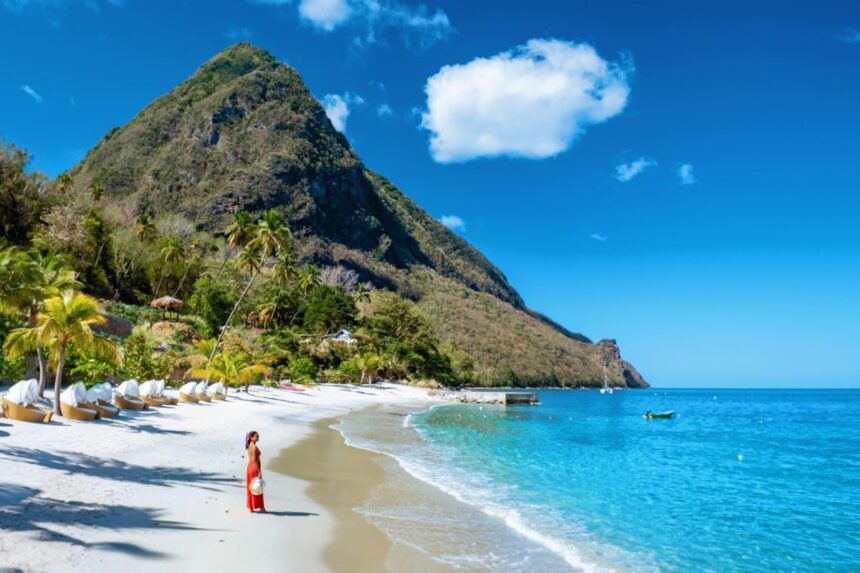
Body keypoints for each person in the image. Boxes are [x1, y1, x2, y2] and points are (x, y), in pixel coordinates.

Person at [245, 431, 266, 513]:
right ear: (251, 437)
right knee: (258, 487)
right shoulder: (253, 447)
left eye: (258, 436)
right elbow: (255, 460)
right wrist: (259, 471)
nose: (258, 438)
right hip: (254, 467)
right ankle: (261, 508)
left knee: (251, 487)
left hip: (249, 467)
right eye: (256, 436)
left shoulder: (249, 446)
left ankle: (251, 507)